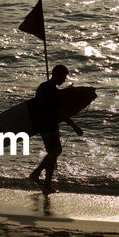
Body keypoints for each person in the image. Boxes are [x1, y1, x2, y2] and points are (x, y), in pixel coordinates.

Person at [29, 64, 83, 195]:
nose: (64, 80)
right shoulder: (53, 91)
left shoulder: (43, 86)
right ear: (57, 75)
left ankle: (38, 176)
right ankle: (42, 181)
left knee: (53, 153)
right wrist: (75, 127)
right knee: (54, 153)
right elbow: (61, 113)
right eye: (63, 77)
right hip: (49, 125)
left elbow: (38, 105)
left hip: (41, 125)